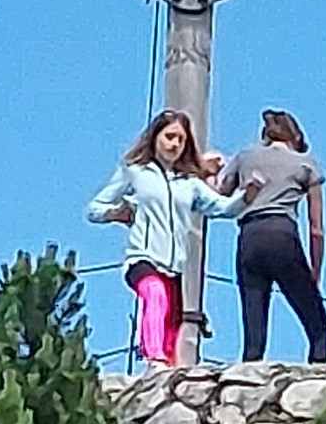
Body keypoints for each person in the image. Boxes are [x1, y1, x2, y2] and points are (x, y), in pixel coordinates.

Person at [87, 110, 229, 367]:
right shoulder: (135, 172)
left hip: (174, 264)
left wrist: (250, 196)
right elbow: (94, 209)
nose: (174, 144)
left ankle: (167, 366)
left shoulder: (187, 183)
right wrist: (115, 213)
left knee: (173, 321)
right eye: (169, 136)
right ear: (155, 138)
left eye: (180, 140)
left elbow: (222, 206)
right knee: (154, 293)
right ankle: (153, 355)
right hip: (142, 257)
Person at [225, 107, 326, 364]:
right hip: (282, 236)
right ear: (296, 138)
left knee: (254, 336)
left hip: (249, 238)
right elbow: (316, 229)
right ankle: (316, 382)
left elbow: (220, 194)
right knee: (319, 331)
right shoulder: (306, 164)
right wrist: (315, 272)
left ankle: (245, 386)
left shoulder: (245, 157)